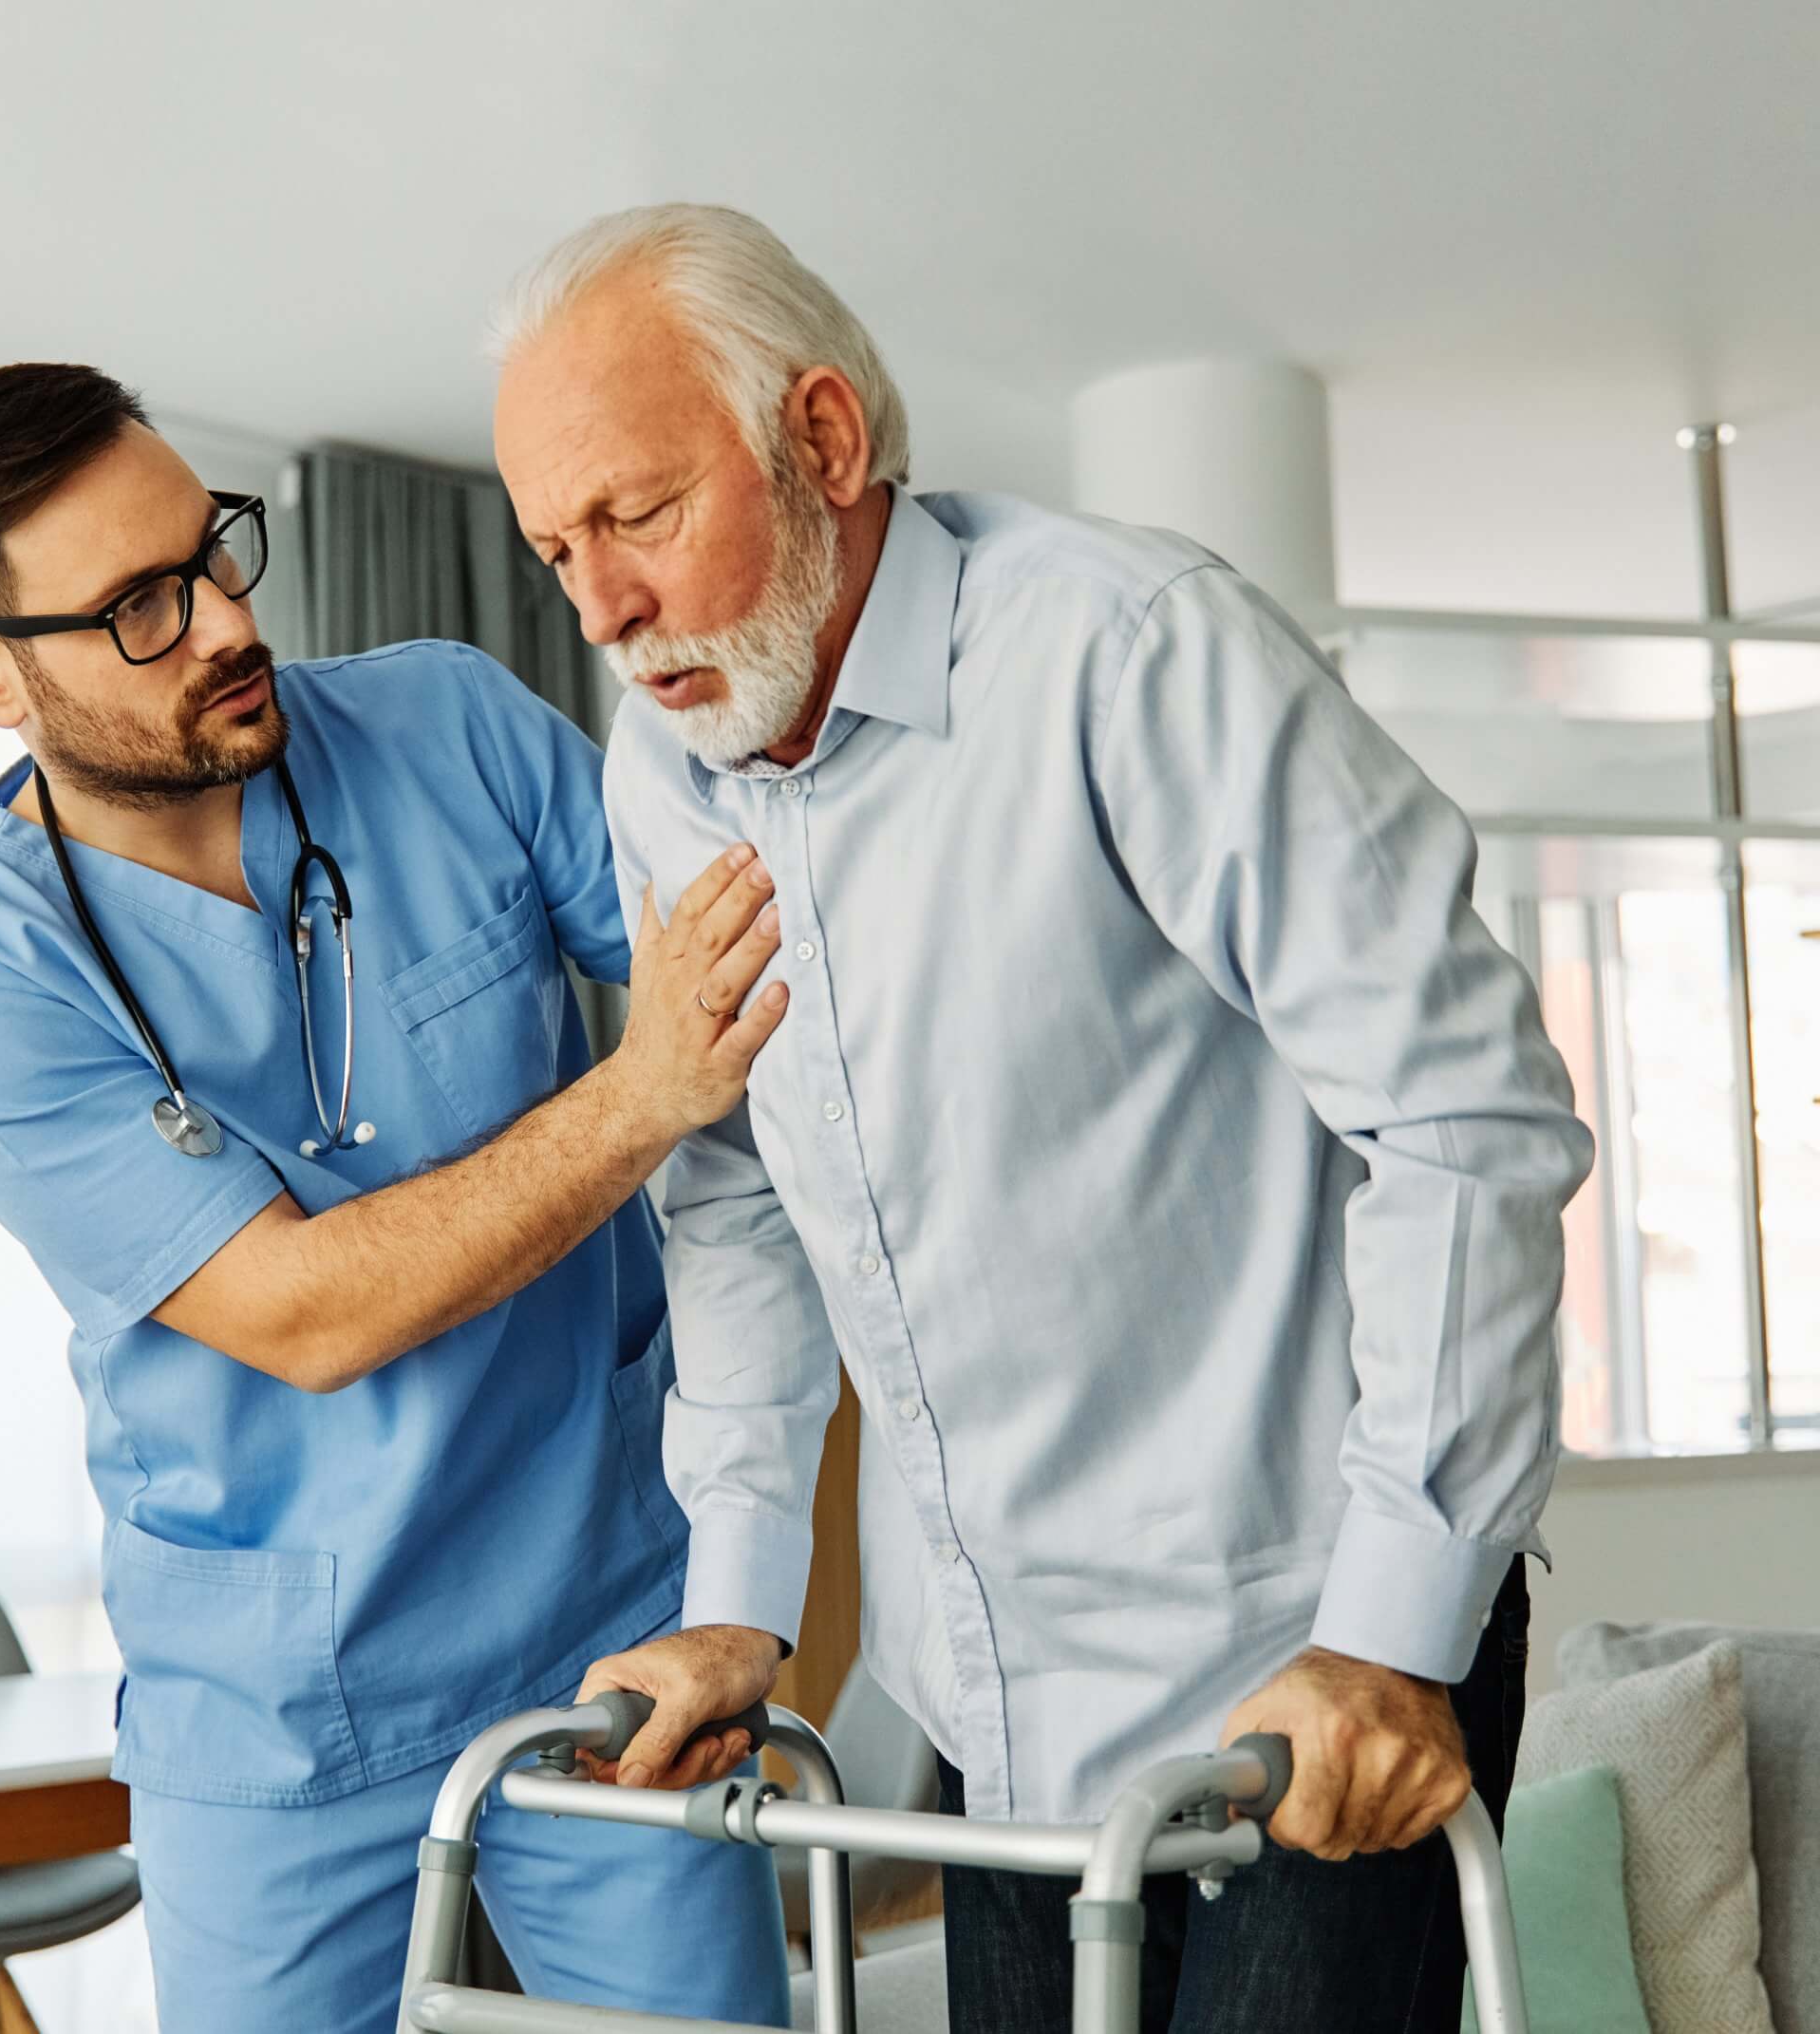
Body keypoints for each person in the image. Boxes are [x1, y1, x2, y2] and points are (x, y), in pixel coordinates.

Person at [489, 206, 1594, 2033]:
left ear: (823, 442)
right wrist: (743, 1594)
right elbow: (738, 1194)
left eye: (639, 515)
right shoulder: (665, 774)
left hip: (1308, 1664)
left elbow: (1463, 1104)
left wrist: (1394, 1637)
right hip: (990, 1703)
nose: (602, 605)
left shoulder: (1129, 651)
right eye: (554, 548)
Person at [0, 363, 794, 2033]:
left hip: (609, 1627)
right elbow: (305, 1311)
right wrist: (642, 1087)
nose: (224, 619)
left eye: (214, 551)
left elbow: (737, 979)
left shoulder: (446, 724)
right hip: (283, 1716)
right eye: (143, 606)